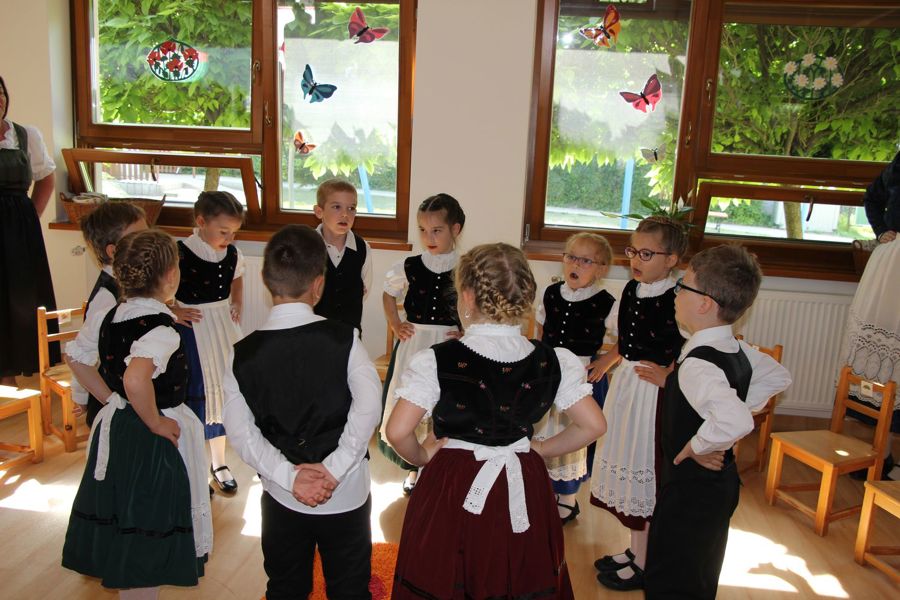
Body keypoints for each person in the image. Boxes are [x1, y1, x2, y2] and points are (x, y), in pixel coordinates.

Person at [385, 242, 607, 599]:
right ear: (526, 297)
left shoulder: (437, 360)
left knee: (448, 568)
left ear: (467, 296)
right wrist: (541, 449)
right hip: (523, 477)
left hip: (453, 481)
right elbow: (594, 425)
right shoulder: (554, 360)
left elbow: (397, 431)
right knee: (517, 567)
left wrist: (422, 456)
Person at [222, 225, 381, 600]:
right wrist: (335, 468)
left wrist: (288, 476)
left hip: (282, 495)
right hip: (345, 491)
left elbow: (240, 432)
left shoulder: (242, 354)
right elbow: (369, 406)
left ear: (265, 280)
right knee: (349, 587)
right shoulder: (346, 339)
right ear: (318, 284)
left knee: (286, 586)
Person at [62, 229, 212, 599]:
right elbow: (135, 378)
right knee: (148, 524)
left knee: (126, 516)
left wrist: (110, 398)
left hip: (119, 426)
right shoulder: (162, 331)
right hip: (151, 440)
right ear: (171, 276)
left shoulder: (109, 315)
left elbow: (76, 357)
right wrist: (155, 420)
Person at [644, 244, 792, 599]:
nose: (677, 292)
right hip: (718, 487)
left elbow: (735, 420)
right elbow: (778, 376)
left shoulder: (698, 364)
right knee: (699, 571)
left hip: (690, 493)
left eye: (683, 285)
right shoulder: (735, 348)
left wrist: (699, 444)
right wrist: (719, 427)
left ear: (704, 304)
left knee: (671, 578)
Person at [589, 216, 687, 592]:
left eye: (647, 254)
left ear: (671, 259)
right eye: (633, 251)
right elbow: (627, 339)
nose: (635, 259)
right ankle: (636, 549)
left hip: (652, 393)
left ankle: (646, 562)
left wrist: (669, 376)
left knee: (644, 463)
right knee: (627, 459)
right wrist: (608, 360)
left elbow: (690, 346)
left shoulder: (678, 297)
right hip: (628, 384)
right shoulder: (632, 289)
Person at [379, 193, 466, 494]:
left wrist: (467, 331)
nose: (429, 237)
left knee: (443, 405)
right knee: (414, 405)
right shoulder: (409, 265)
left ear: (455, 229)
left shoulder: (465, 267)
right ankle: (415, 468)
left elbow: (477, 304)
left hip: (449, 346)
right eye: (423, 230)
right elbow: (388, 294)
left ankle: (439, 467)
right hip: (415, 345)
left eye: (437, 230)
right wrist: (395, 323)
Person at [534, 232, 616, 524]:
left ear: (601, 269)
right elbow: (540, 330)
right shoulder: (550, 293)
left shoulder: (606, 302)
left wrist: (606, 361)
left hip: (580, 374)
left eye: (585, 261)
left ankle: (567, 498)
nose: (576, 265)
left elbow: (626, 339)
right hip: (549, 371)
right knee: (545, 430)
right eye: (571, 257)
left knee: (571, 432)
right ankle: (542, 488)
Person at [171, 191, 245, 495]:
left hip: (222, 330)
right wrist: (173, 310)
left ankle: (219, 462)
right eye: (223, 231)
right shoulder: (179, 252)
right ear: (201, 222)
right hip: (193, 332)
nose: (229, 238)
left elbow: (237, 278)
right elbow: (159, 287)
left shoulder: (232, 254)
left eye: (234, 232)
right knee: (197, 395)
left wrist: (237, 300)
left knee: (222, 392)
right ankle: (195, 467)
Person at [0, 75, 59, 387]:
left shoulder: (25, 135)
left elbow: (46, 178)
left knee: (20, 300)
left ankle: (15, 371)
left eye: (1, 93)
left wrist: (30, 216)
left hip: (19, 232)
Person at [66, 201, 148, 425]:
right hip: (113, 396)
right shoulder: (107, 296)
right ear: (113, 251)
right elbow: (82, 352)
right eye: (139, 237)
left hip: (133, 386)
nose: (148, 242)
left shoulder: (135, 283)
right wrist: (81, 396)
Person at [845, 150, 900, 479]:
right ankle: (884, 453)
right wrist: (881, 230)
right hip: (892, 267)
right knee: (886, 364)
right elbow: (872, 197)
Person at [312, 178, 373, 332]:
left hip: (350, 335)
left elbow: (364, 289)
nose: (345, 214)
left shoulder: (363, 248)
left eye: (351, 208)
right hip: (314, 334)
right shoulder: (307, 247)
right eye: (337, 207)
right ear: (319, 211)